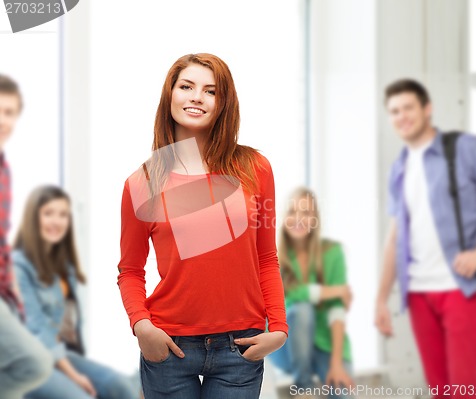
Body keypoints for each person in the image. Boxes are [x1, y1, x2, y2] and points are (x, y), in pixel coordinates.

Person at [117, 53, 288, 399]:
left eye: (210, 91)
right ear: (170, 96)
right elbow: (130, 270)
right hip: (169, 347)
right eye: (186, 86)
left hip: (240, 348)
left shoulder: (256, 169)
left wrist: (280, 329)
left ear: (223, 104)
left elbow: (266, 258)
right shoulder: (142, 183)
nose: (196, 96)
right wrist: (142, 326)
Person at [375, 79, 476, 398]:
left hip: (463, 288)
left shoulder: (465, 149)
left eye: (408, 107)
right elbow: (395, 237)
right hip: (418, 292)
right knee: (441, 390)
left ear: (426, 109)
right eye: (394, 111)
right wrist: (381, 298)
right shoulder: (399, 168)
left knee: (465, 391)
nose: (401, 116)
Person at [12, 185, 141, 399]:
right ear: (33, 218)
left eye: (63, 214)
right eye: (48, 213)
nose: (57, 221)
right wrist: (74, 376)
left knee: (119, 387)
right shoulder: (19, 267)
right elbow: (39, 331)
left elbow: (68, 328)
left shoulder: (63, 267)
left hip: (57, 356)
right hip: (25, 361)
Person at [269, 187, 354, 398]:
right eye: (292, 212)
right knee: (302, 310)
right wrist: (331, 290)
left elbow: (337, 309)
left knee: (343, 393)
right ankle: (303, 388)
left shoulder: (332, 252)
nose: (298, 219)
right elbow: (287, 295)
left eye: (306, 213)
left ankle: (325, 367)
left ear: (315, 219)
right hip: (285, 345)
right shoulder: (272, 256)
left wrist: (336, 363)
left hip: (323, 343)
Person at [0, 74, 52, 399]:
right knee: (33, 364)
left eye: (9, 112)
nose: (4, 120)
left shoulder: (4, 169)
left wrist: (13, 295)